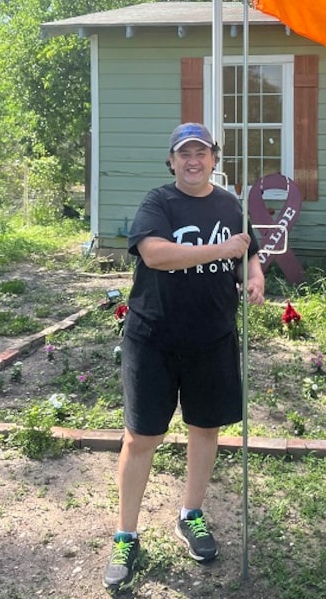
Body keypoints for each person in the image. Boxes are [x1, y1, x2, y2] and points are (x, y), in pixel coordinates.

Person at [103, 122, 265, 594]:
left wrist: (253, 274)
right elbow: (154, 254)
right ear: (171, 161)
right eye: (184, 154)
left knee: (205, 429)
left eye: (202, 152)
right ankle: (126, 536)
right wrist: (222, 249)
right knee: (142, 436)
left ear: (215, 158)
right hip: (153, 337)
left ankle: (190, 514)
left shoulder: (230, 204)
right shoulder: (159, 202)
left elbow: (247, 252)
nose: (193, 160)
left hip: (212, 338)